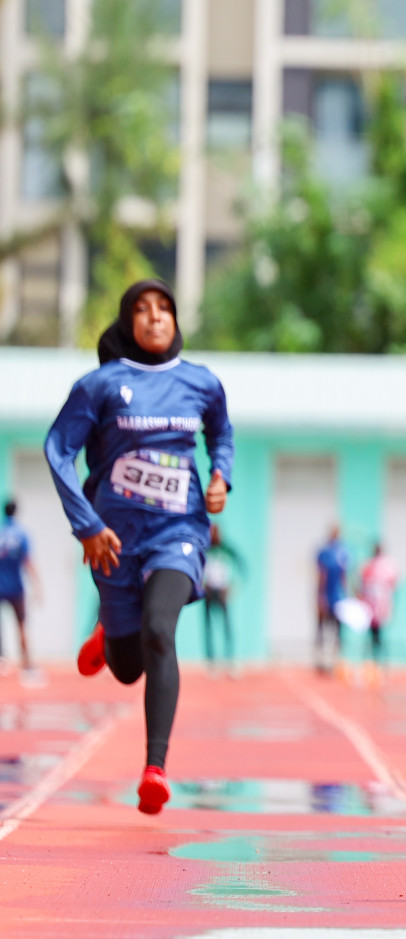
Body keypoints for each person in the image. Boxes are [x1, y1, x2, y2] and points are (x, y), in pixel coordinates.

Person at [46, 279, 233, 815]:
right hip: (114, 540)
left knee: (160, 628)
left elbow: (221, 433)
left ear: (176, 321)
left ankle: (155, 768)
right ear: (128, 322)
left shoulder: (201, 383)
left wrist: (221, 475)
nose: (155, 317)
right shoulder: (101, 386)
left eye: (165, 308)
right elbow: (58, 451)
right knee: (128, 668)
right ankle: (109, 631)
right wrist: (86, 525)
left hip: (179, 535)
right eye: (143, 310)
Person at [0, 498, 43, 684]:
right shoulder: (21, 534)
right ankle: (26, 665)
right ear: (16, 511)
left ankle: (2, 659)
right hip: (17, 587)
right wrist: (37, 587)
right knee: (22, 625)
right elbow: (28, 562)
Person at [202, 523, 244, 675]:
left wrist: (233, 585)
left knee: (227, 625)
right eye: (211, 531)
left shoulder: (226, 549)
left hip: (222, 592)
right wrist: (201, 584)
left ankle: (230, 659)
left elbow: (241, 566)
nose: (214, 534)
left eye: (216, 531)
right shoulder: (205, 548)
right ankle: (211, 661)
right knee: (208, 627)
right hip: (208, 592)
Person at [359, 542, 399, 670]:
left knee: (379, 635)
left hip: (380, 606)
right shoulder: (368, 565)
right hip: (370, 606)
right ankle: (371, 662)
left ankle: (381, 662)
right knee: (371, 635)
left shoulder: (387, 566)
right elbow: (362, 585)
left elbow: (392, 586)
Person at [315, 526, 349, 674]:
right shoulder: (324, 552)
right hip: (326, 596)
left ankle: (335, 661)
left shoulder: (344, 553)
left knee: (337, 630)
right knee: (322, 629)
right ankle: (321, 660)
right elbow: (321, 575)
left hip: (338, 598)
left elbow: (344, 577)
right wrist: (320, 596)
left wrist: (348, 596)